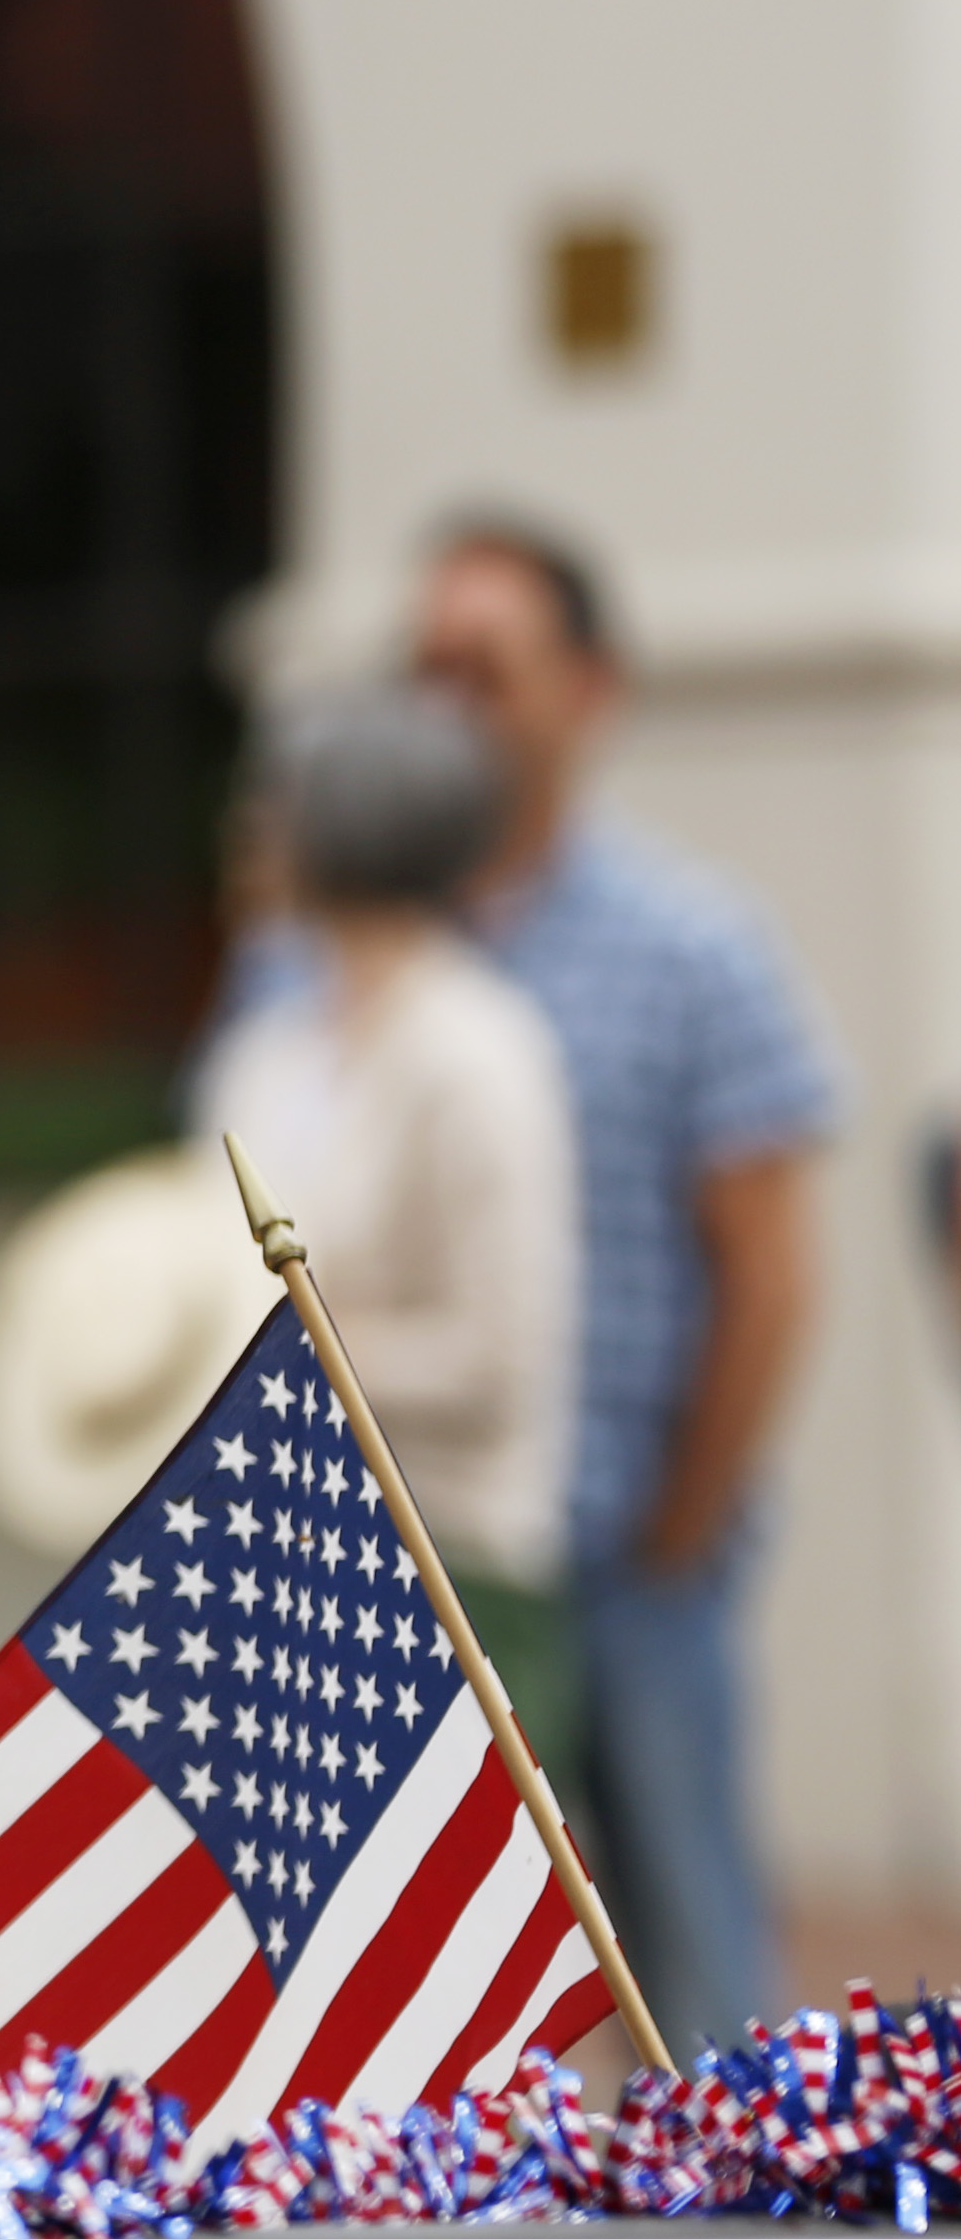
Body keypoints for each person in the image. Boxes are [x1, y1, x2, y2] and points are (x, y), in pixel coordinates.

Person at [408, 515, 835, 2052]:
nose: (447, 698)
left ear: (588, 686)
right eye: (424, 665)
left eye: (487, 663)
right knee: (431, 2022)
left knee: (692, 1982)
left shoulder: (695, 944)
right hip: (424, 1564)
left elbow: (772, 1266)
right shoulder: (349, 950)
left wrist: (679, 1520)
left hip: (628, 1553)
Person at [187, 687, 581, 1735]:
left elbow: (500, 1359)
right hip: (273, 1559)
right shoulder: (267, 1047)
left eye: (277, 804)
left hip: (447, 1569)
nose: (248, 831)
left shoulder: (477, 1051)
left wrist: (277, 1350)